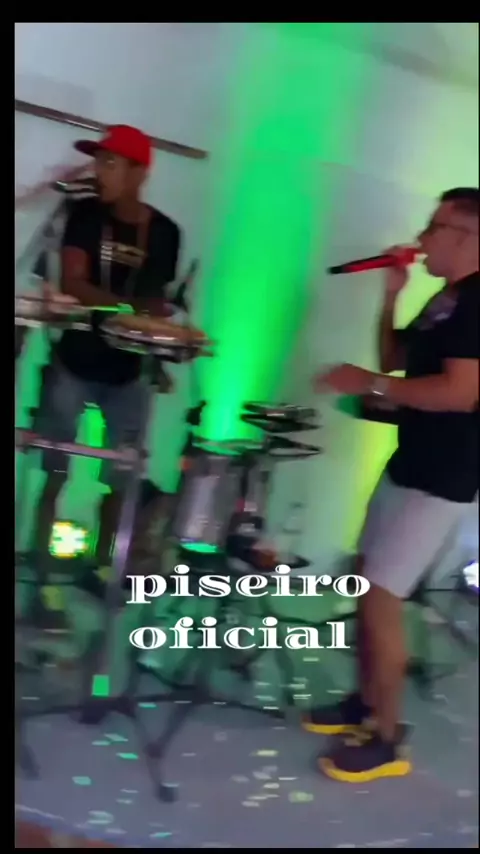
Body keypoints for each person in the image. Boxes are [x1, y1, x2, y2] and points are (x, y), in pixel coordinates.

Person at [306, 187, 479, 783]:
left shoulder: (478, 302)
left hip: (445, 474)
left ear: (469, 238)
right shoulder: (447, 298)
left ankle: (386, 737)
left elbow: (460, 394)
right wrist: (391, 296)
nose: (423, 237)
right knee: (366, 577)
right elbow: (395, 358)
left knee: (382, 596)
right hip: (412, 460)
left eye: (435, 227)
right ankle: (364, 702)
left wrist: (370, 384)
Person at [33, 124, 181, 569]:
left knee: (123, 473)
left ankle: (103, 566)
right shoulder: (84, 215)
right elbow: (73, 282)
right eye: (99, 161)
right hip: (75, 360)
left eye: (110, 163)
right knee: (54, 466)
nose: (99, 171)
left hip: (129, 369)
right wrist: (128, 309)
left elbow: (154, 300)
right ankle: (39, 562)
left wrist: (146, 320)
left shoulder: (165, 232)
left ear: (139, 173)